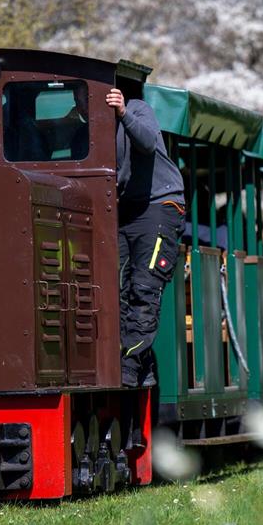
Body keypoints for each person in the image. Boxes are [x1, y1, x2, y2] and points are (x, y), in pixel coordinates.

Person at [107, 88, 186, 388]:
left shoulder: (138, 109)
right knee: (117, 285)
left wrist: (123, 114)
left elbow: (148, 142)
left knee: (144, 285)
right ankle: (142, 363)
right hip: (125, 208)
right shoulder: (88, 126)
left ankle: (131, 364)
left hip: (158, 205)